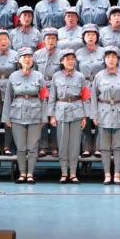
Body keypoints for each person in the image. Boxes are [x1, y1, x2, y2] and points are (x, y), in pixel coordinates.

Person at [2, 48, 49, 184]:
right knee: (21, 147)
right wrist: (6, 118)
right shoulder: (13, 76)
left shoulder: (39, 76)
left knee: (33, 147)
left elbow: (44, 97)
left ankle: (30, 174)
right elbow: (8, 98)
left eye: (29, 57)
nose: (27, 59)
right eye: (24, 57)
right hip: (17, 115)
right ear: (19, 60)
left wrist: (44, 117)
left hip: (35, 114)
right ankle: (22, 173)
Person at [91, 46, 120, 185]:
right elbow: (93, 97)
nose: (111, 59)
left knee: (119, 146)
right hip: (103, 112)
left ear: (118, 59)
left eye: (114, 57)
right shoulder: (99, 76)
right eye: (108, 57)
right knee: (104, 147)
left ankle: (117, 173)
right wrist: (94, 115)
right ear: (104, 59)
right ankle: (107, 174)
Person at [47, 49, 89, 184]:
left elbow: (85, 97)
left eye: (72, 59)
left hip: (77, 110)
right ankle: (64, 172)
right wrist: (51, 115)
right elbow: (52, 97)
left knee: (75, 144)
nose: (70, 61)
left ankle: (73, 173)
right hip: (61, 111)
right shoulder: (56, 76)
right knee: (63, 143)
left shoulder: (80, 76)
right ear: (61, 61)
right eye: (67, 59)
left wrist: (85, 115)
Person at [74, 25, 105, 158]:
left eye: (93, 34)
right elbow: (75, 71)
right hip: (84, 85)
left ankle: (98, 147)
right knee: (85, 115)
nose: (91, 37)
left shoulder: (104, 51)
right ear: (83, 37)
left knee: (100, 115)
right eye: (88, 35)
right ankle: (86, 147)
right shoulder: (78, 53)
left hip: (100, 85)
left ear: (97, 37)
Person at [33, 28, 61, 158]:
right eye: (48, 38)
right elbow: (33, 72)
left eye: (53, 38)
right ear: (44, 40)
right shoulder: (37, 54)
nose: (50, 41)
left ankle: (55, 146)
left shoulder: (61, 54)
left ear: (57, 40)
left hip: (56, 87)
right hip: (41, 87)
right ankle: (43, 146)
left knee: (55, 117)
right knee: (43, 117)